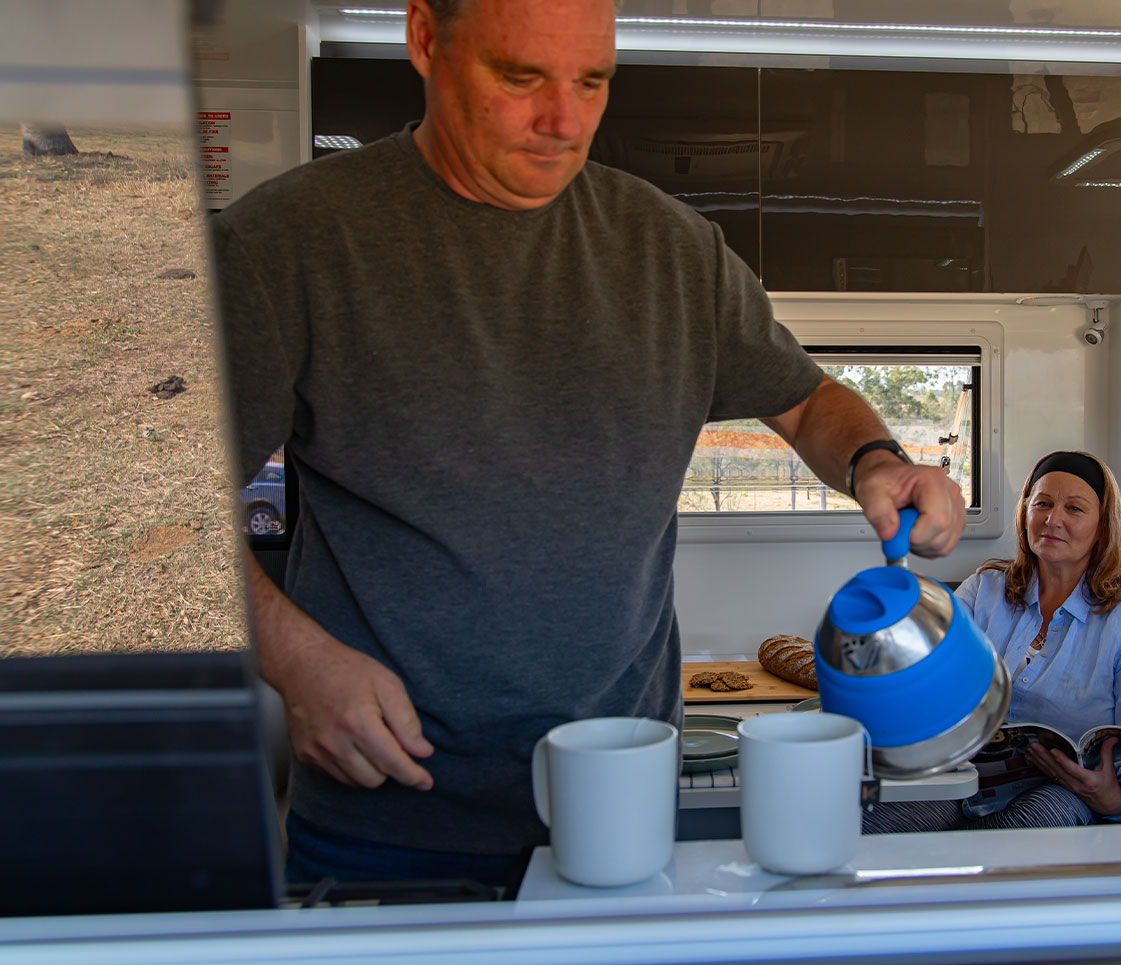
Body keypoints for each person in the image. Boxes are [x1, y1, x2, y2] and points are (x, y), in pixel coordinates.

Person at [212, 0, 968, 890]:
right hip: (390, 814)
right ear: (425, 40)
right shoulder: (287, 244)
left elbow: (802, 401)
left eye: (592, 80)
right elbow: (141, 517)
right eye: (520, 77)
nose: (563, 121)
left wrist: (876, 459)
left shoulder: (674, 251)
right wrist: (298, 663)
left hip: (621, 804)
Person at [864, 449, 1121, 833]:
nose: (1052, 520)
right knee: (869, 827)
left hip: (1062, 792)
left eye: (1075, 509)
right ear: (1026, 511)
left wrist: (1116, 797)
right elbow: (928, 662)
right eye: (1042, 503)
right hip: (963, 775)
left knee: (1026, 829)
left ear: (1103, 525)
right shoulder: (985, 589)